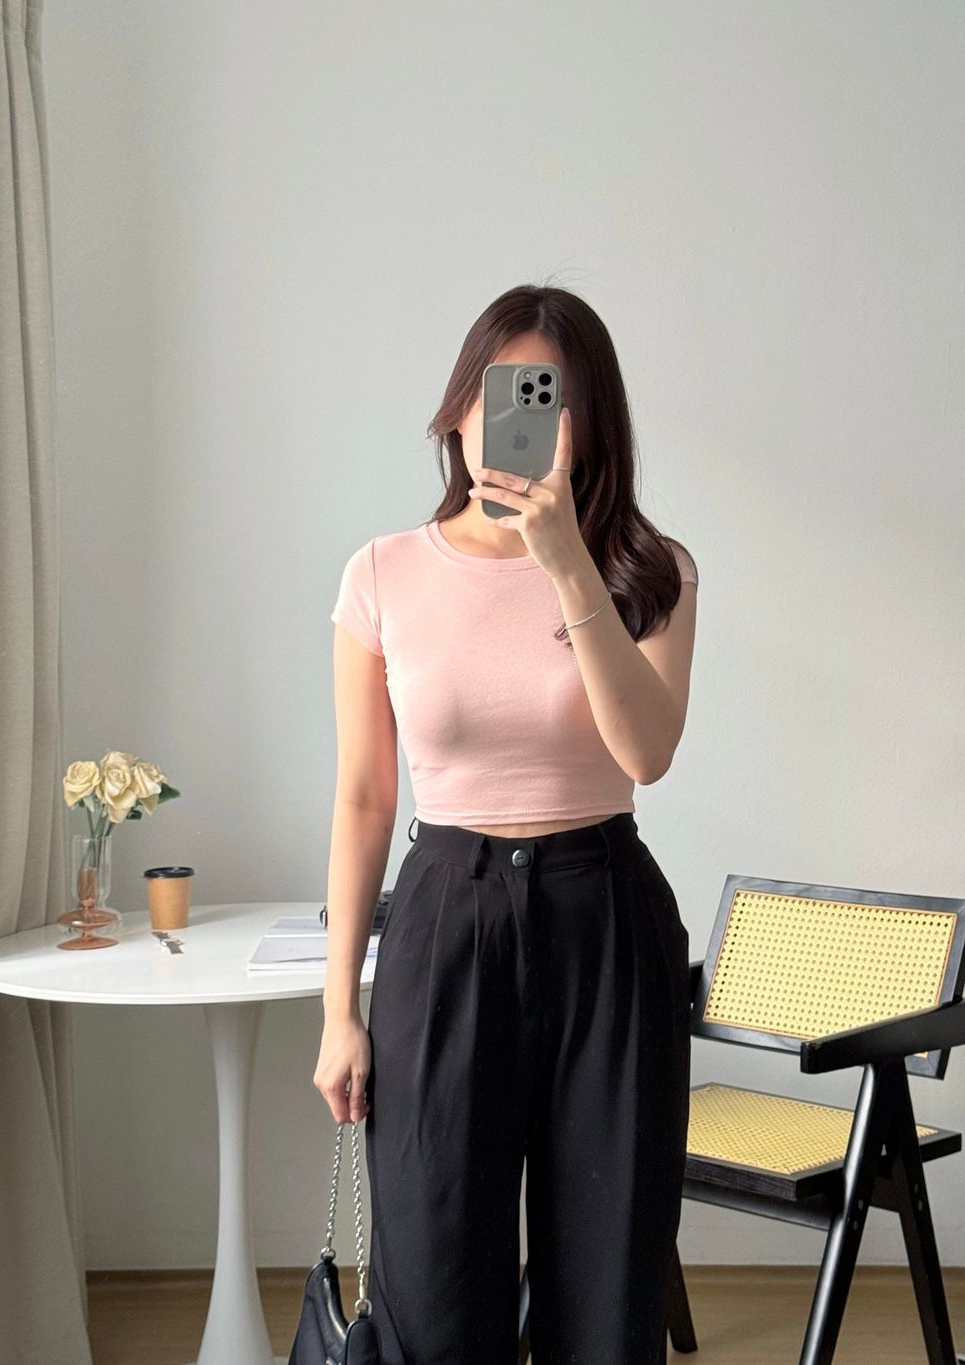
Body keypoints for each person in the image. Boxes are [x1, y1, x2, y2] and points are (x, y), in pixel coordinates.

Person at [314, 282, 698, 1365]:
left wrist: (567, 562)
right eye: (504, 392)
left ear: (590, 426)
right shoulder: (383, 573)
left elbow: (646, 754)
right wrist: (339, 1011)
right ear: (458, 410)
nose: (520, 419)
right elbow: (364, 797)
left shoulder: (649, 571)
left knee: (607, 1290)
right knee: (435, 1288)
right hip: (444, 922)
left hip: (605, 922)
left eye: (552, 400)